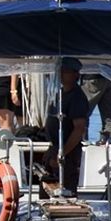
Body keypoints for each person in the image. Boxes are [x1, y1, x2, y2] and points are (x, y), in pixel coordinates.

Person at [43, 57, 90, 197]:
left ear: (76, 74)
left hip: (68, 153)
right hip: (56, 147)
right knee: (48, 188)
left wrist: (62, 153)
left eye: (66, 71)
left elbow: (79, 129)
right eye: (61, 71)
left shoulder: (77, 97)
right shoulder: (60, 94)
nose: (62, 74)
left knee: (66, 191)